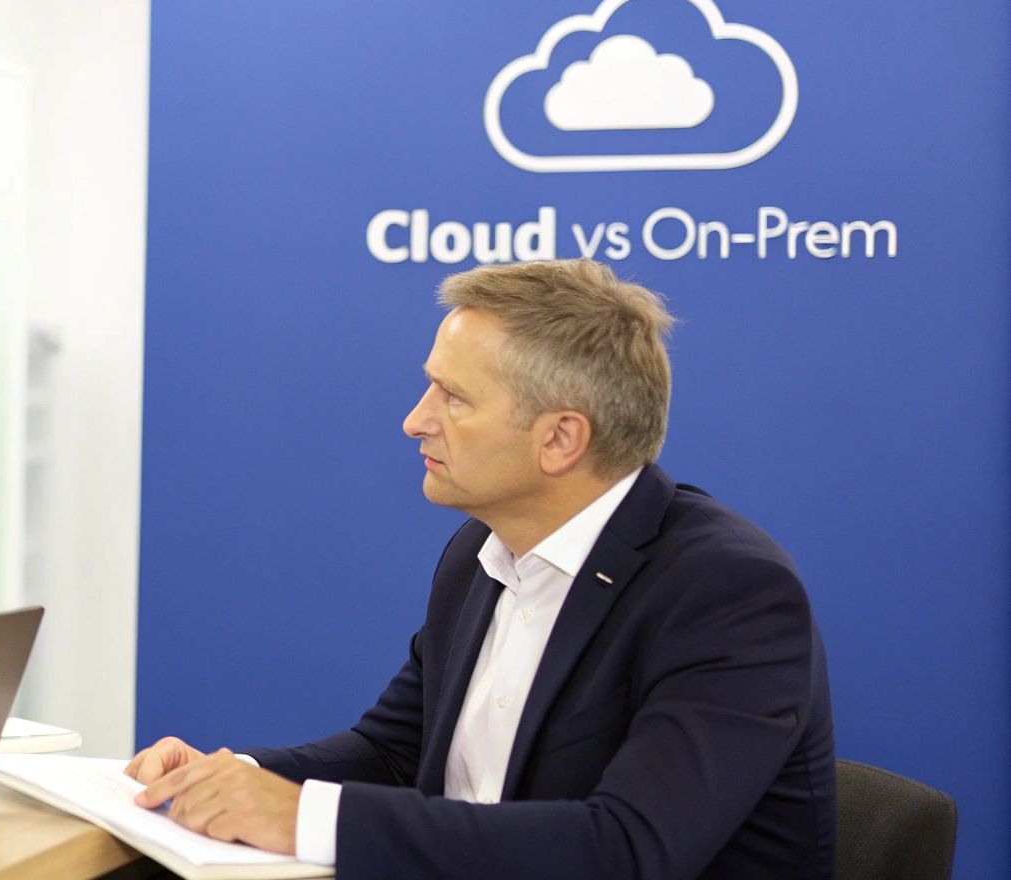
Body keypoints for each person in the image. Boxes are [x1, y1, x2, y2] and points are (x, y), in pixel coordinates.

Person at [127, 259, 835, 879]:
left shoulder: (729, 593)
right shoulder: (480, 552)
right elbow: (394, 751)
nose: (415, 419)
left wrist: (309, 820)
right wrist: (231, 780)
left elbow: (625, 850)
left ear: (560, 438)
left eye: (453, 397)